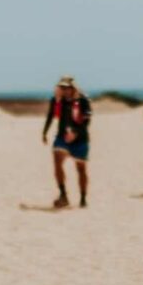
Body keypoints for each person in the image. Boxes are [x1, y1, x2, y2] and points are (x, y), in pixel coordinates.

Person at [42, 76, 92, 208]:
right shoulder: (57, 101)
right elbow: (50, 116)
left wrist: (75, 133)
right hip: (62, 137)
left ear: (72, 87)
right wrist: (44, 132)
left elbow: (87, 120)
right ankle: (63, 195)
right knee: (57, 161)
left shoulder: (83, 100)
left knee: (81, 169)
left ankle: (83, 198)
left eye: (66, 87)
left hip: (80, 138)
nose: (64, 90)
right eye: (61, 87)